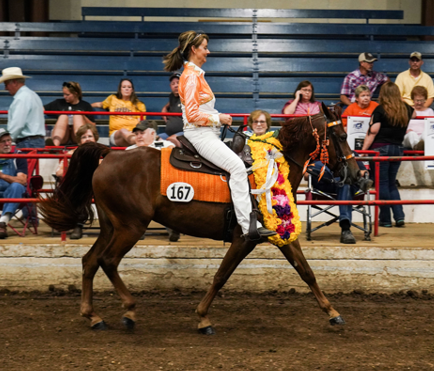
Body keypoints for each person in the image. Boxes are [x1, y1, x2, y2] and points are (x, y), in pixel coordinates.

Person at [163, 30, 276, 239]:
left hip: (208, 134)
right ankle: (247, 226)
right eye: (204, 47)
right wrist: (219, 118)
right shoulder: (189, 78)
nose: (208, 51)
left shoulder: (195, 75)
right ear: (194, 50)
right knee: (237, 168)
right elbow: (193, 115)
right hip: (200, 134)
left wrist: (217, 118)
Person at [361, 82, 416, 228]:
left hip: (380, 149)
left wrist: (363, 151)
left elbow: (373, 131)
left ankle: (385, 220)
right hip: (398, 149)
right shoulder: (406, 109)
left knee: (382, 184)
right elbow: (415, 113)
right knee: (391, 183)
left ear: (383, 94)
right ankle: (399, 216)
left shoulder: (380, 109)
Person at [126, 120, 178, 242]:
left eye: (142, 133)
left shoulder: (165, 146)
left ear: (153, 134)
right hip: (137, 187)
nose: (138, 136)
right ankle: (138, 228)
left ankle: (172, 226)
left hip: (160, 185)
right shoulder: (129, 149)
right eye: (136, 134)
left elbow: (173, 154)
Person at [54, 123, 100, 239]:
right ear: (79, 141)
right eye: (83, 137)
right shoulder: (72, 154)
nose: (87, 139)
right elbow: (59, 172)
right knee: (78, 190)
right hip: (80, 186)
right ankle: (78, 225)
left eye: (89, 136)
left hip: (100, 186)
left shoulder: (102, 152)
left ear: (95, 138)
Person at [91, 79, 146, 147]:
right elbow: (100, 104)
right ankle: (140, 141)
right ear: (120, 89)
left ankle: (137, 140)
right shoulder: (112, 98)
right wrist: (88, 106)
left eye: (129, 87)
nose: (126, 89)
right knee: (123, 131)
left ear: (132, 90)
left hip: (133, 133)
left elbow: (141, 123)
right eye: (124, 87)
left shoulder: (139, 104)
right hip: (116, 135)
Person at [0, 67, 45, 149]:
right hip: (35, 141)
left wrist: (7, 140)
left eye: (6, 84)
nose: (5, 88)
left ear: (14, 82)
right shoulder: (32, 95)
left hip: (27, 142)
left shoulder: (21, 98)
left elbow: (17, 124)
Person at [44, 82, 95, 146]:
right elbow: (42, 109)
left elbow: (93, 125)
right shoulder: (58, 102)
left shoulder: (85, 105)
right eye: (64, 94)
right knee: (63, 115)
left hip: (78, 137)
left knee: (77, 115)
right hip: (62, 135)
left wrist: (83, 115)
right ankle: (54, 146)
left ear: (75, 94)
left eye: (67, 95)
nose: (64, 96)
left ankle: (82, 146)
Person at [0, 129, 28, 239]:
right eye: (3, 141)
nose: (7, 144)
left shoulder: (18, 156)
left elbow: (22, 181)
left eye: (9, 141)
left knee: (17, 186)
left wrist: (2, 176)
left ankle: (2, 222)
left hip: (10, 194)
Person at [402, 86, 434, 150]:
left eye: (421, 100)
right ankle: (417, 147)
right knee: (412, 134)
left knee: (426, 133)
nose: (419, 103)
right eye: (417, 100)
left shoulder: (430, 111)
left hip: (423, 137)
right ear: (413, 100)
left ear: (425, 99)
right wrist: (406, 130)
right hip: (409, 136)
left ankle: (422, 146)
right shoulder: (407, 110)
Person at [160, 72, 183, 147]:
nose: (176, 85)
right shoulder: (172, 97)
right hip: (168, 134)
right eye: (173, 84)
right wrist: (164, 109)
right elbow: (166, 106)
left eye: (178, 83)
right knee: (153, 140)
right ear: (170, 86)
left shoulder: (187, 96)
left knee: (168, 142)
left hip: (183, 134)